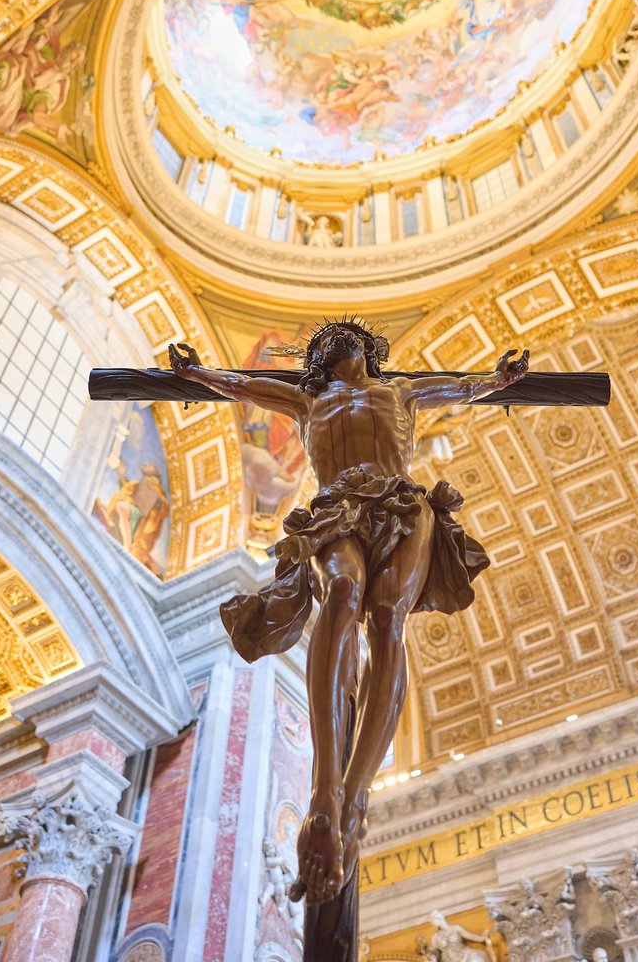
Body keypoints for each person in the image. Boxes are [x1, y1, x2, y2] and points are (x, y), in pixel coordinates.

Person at [168, 321, 529, 904]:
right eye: (324, 340)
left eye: (345, 335)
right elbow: (239, 385)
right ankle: (325, 788)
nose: (335, 340)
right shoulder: (306, 399)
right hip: (337, 506)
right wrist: (194, 373)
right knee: (340, 591)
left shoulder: (401, 391)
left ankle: (355, 791)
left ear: (368, 351)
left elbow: (461, 388)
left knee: (387, 620)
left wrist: (499, 380)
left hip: (404, 507)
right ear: (316, 358)